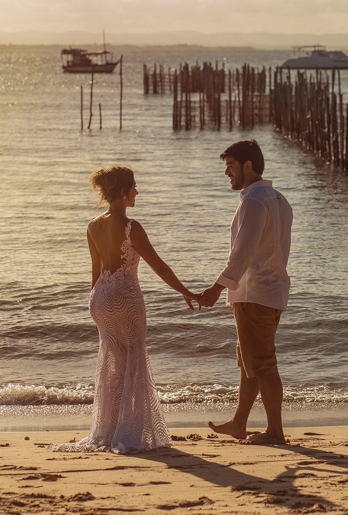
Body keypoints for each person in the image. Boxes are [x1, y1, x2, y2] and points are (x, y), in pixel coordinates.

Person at [48, 166, 200, 454]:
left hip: (100, 298)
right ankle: (130, 431)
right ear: (122, 192)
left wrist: (94, 310)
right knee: (134, 361)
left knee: (114, 364)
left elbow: (96, 271)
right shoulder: (132, 227)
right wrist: (186, 292)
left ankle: (109, 428)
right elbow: (160, 266)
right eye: (134, 187)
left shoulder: (93, 225)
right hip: (125, 298)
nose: (137, 192)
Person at [200, 140, 293, 445]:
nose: (227, 172)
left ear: (248, 166)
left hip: (256, 293)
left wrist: (216, 288)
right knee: (249, 361)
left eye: (231, 166)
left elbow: (243, 254)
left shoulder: (254, 202)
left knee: (263, 363)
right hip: (271, 290)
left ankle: (275, 432)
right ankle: (239, 423)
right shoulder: (278, 199)